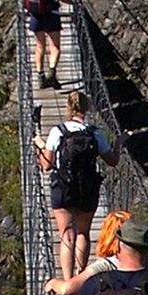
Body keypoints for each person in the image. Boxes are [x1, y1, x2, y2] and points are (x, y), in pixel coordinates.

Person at [36, 91, 117, 282]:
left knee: (67, 235)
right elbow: (112, 161)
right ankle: (81, 277)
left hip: (63, 188)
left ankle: (67, 280)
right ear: (87, 108)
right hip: (88, 189)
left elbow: (46, 165)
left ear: (68, 108)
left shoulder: (58, 132)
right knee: (83, 232)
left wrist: (40, 145)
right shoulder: (95, 133)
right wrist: (119, 144)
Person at [26, 0, 65, 89]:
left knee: (39, 46)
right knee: (55, 46)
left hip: (36, 14)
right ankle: (52, 74)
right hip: (51, 14)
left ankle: (40, 76)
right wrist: (72, 3)